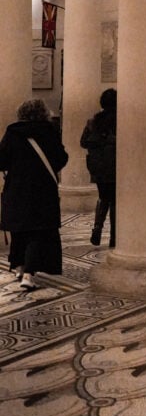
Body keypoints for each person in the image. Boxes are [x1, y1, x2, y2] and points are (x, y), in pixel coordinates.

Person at [0, 98, 68, 291]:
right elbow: (61, 158)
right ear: (44, 113)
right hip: (43, 189)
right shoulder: (49, 131)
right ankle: (29, 274)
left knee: (19, 229)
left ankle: (19, 267)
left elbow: (1, 160)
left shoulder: (13, 132)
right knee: (38, 231)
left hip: (17, 189)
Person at [80, 89, 117, 247]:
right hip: (115, 166)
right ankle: (115, 236)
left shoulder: (93, 121)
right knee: (115, 201)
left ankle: (97, 227)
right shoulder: (120, 121)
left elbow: (83, 142)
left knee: (103, 197)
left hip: (97, 167)